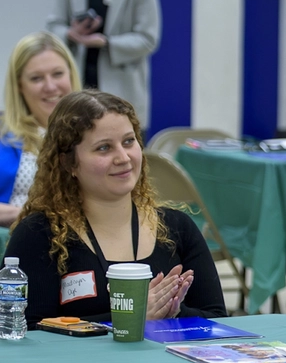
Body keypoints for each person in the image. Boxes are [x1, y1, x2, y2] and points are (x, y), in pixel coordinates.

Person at [5, 90, 226, 325]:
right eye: (104, 148)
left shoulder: (177, 228)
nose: (123, 157)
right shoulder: (39, 236)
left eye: (129, 141)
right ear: (68, 163)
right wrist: (130, 318)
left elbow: (217, 321)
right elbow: (25, 331)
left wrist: (171, 309)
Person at [47, 0, 160, 125]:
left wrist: (107, 43)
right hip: (77, 86)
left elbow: (148, 38)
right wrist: (71, 34)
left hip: (123, 89)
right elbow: (54, 27)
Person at [0, 32, 82, 227]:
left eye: (58, 74)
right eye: (37, 78)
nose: (50, 86)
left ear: (71, 74)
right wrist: (28, 214)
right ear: (19, 85)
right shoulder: (3, 133)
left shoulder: (93, 130)